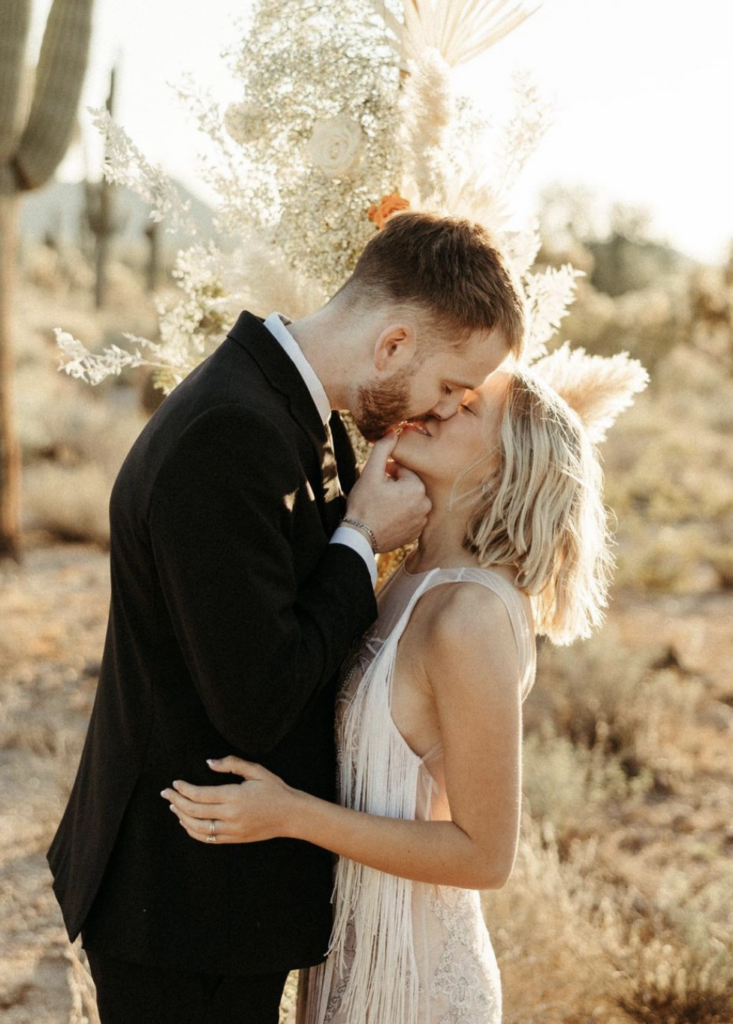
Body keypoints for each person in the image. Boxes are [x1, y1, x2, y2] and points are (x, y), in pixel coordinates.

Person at [47, 210, 525, 1024]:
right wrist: (361, 537)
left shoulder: (278, 410)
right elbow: (257, 696)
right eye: (446, 387)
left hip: (217, 899)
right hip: (184, 901)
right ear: (393, 344)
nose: (434, 412)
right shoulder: (231, 432)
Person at [164, 363, 624, 1024]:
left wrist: (288, 814)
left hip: (414, 983)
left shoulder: (468, 615)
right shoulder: (407, 575)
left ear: (501, 469)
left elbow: (484, 855)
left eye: (466, 410)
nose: (437, 408)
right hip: (355, 955)